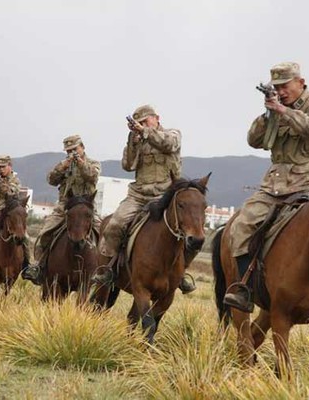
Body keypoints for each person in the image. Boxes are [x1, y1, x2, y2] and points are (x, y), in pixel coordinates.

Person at [224, 62, 309, 312]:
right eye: (277, 88)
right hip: (276, 185)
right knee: (242, 225)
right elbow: (254, 141)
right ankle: (244, 287)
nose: (281, 91)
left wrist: (284, 111)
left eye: (285, 86)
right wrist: (269, 114)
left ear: (300, 82)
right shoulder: (275, 109)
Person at [90, 105, 196, 294]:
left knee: (191, 229)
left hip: (166, 195)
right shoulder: (138, 139)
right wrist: (133, 140)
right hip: (138, 195)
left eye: (146, 121)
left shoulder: (172, 134)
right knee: (114, 225)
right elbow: (128, 165)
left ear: (157, 118)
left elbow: (168, 144)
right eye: (139, 123)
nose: (143, 125)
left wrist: (145, 132)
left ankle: (181, 274)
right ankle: (109, 268)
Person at [22, 135, 101, 284]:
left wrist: (80, 163)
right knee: (45, 232)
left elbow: (92, 176)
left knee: (103, 234)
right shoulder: (64, 164)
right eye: (69, 151)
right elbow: (51, 180)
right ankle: (38, 266)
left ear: (82, 147)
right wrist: (63, 166)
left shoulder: (93, 163)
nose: (72, 153)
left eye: (75, 149)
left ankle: (101, 271)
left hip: (86, 207)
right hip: (65, 206)